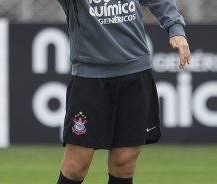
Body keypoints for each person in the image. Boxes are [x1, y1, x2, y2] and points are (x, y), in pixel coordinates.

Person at [56, 0, 191, 183]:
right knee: (75, 167)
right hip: (90, 78)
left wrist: (175, 27)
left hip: (135, 74)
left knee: (124, 164)